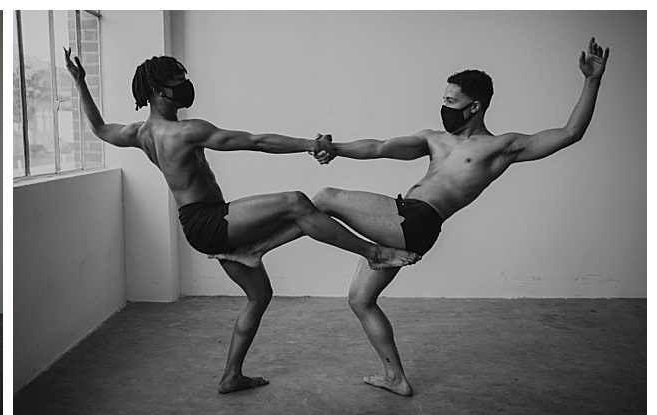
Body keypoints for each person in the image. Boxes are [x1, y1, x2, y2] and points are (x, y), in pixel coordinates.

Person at [213, 37, 610, 396]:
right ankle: (396, 378)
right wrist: (333, 149)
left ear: (475, 107)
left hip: (417, 221)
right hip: (400, 221)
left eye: (452, 102)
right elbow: (380, 147)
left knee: (326, 197)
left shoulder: (501, 147)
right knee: (359, 300)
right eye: (444, 99)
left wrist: (591, 82)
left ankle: (256, 249)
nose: (444, 108)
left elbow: (570, 132)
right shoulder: (434, 139)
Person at [62, 49, 419, 394]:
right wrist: (311, 143)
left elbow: (99, 128)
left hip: (198, 225)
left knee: (259, 295)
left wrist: (80, 84)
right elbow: (256, 141)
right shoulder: (186, 131)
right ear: (157, 91)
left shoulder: (139, 134)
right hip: (212, 221)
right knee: (296, 202)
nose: (186, 85)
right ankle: (375, 252)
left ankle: (231, 376)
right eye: (177, 81)